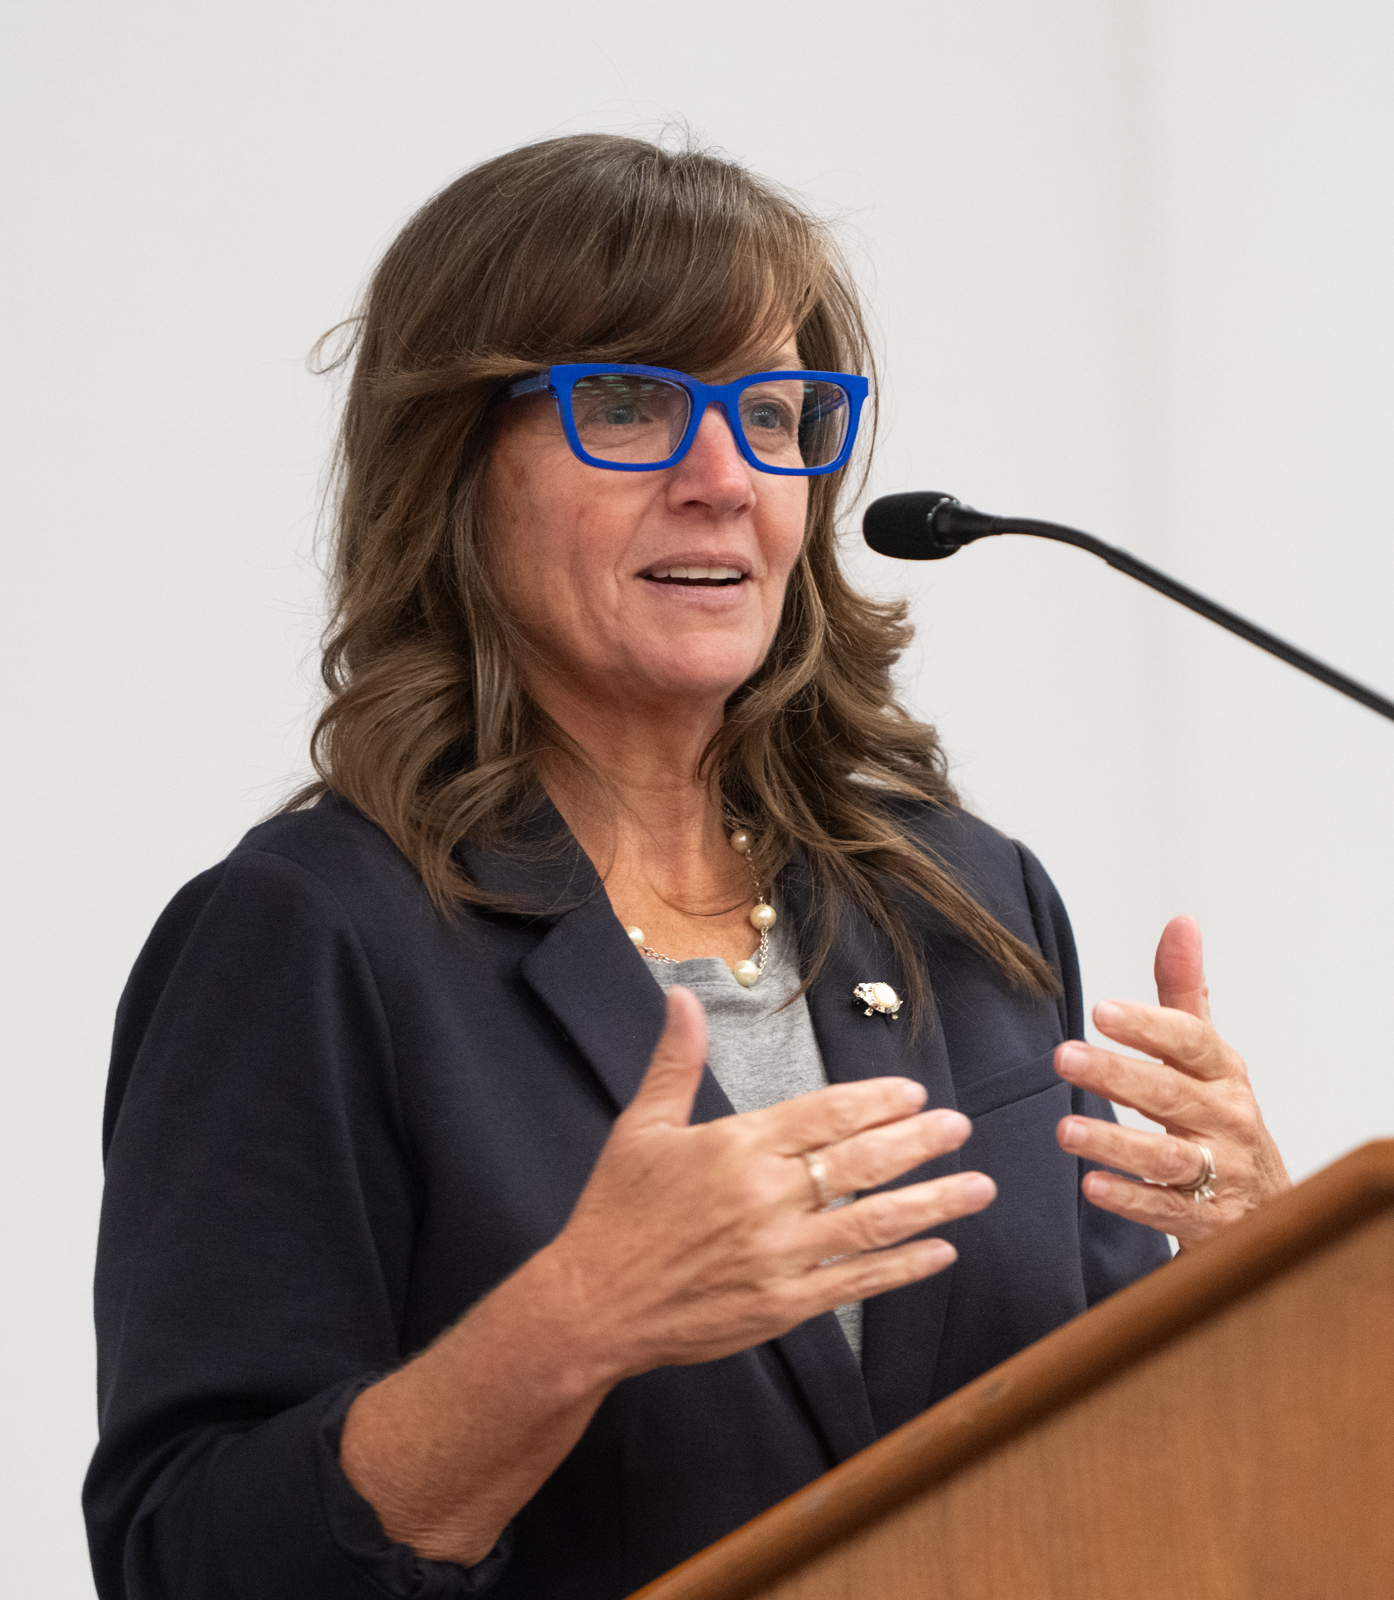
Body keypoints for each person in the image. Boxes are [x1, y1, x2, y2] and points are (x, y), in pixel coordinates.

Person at [83, 134, 1290, 1600]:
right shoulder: (311, 937)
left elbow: (1114, 1486)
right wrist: (569, 1328)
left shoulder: (961, 901)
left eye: (774, 413)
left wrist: (1256, 1283)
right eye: (634, 403)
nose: (726, 479)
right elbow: (188, 1557)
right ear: (455, 466)